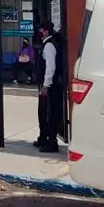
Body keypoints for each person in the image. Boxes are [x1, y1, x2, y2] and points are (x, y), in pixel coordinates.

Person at [34, 21, 64, 153]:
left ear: (46, 31)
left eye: (40, 30)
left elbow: (50, 67)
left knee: (50, 114)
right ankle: (43, 138)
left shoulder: (49, 45)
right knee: (42, 112)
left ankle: (52, 142)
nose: (38, 33)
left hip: (52, 85)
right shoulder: (46, 44)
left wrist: (46, 85)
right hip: (48, 84)